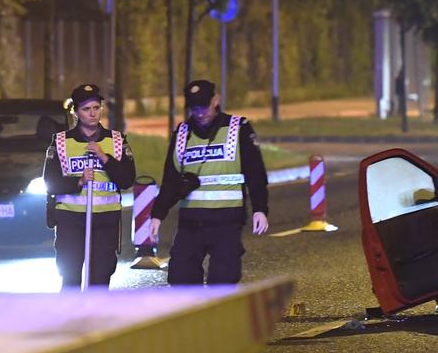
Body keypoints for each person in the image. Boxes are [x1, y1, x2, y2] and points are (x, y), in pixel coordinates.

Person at [149, 80, 269, 285]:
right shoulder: (182, 133)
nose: (200, 112)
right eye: (194, 107)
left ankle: (219, 317)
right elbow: (170, 179)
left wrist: (260, 209)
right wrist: (157, 215)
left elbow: (255, 173)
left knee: (222, 279)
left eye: (204, 106)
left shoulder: (238, 128)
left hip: (227, 220)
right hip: (190, 222)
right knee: (180, 278)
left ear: (216, 100)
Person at [42, 83, 136, 287]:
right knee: (70, 276)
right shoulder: (61, 142)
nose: (93, 114)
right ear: (76, 112)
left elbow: (127, 180)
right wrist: (79, 181)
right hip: (70, 219)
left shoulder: (117, 141)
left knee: (100, 277)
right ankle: (71, 316)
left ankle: (96, 316)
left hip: (105, 219)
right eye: (86, 109)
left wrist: (105, 159)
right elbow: (50, 182)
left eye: (96, 107)